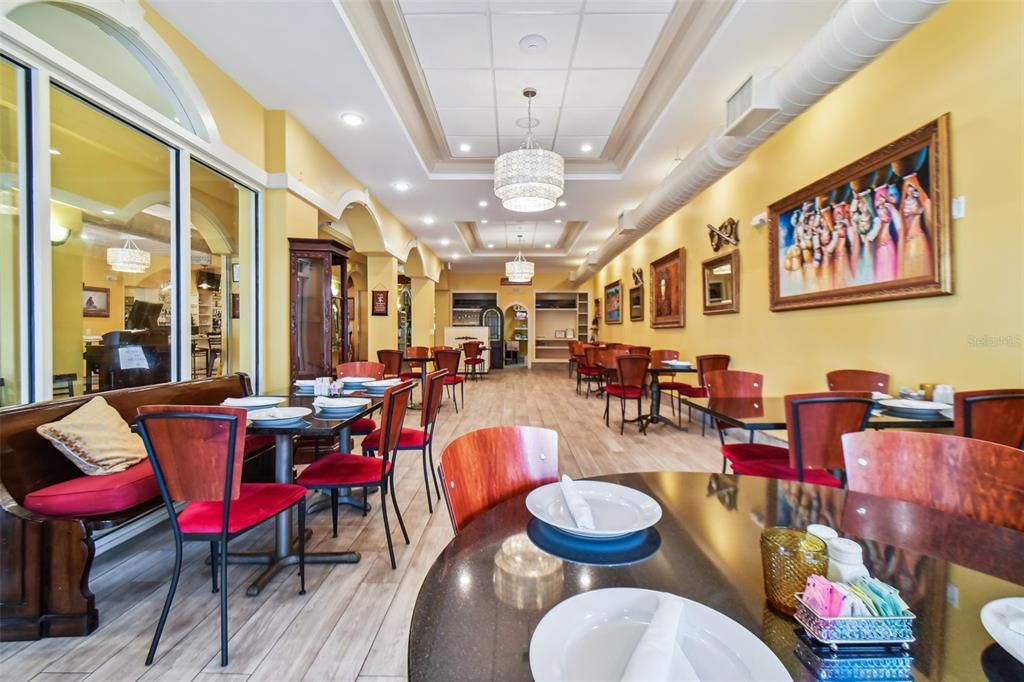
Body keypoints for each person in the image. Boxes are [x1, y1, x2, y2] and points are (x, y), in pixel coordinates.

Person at [899, 173, 934, 278]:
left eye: (911, 186)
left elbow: (925, 201)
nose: (910, 189)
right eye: (908, 187)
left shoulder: (920, 201)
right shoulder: (904, 204)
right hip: (908, 240)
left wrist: (918, 190)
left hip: (917, 238)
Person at [869, 185, 902, 282]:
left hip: (888, 247)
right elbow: (871, 237)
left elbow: (899, 226)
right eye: (879, 204)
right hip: (879, 249)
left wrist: (891, 209)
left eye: (883, 200)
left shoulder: (891, 215)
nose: (881, 206)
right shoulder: (876, 221)